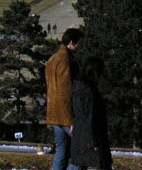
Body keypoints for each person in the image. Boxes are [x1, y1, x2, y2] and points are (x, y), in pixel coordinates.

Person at [46, 27, 83, 170]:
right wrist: (72, 117)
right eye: (79, 43)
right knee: (82, 152)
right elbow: (67, 91)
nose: (81, 47)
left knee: (61, 151)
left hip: (54, 113)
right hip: (66, 115)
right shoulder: (67, 62)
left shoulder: (52, 59)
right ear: (72, 43)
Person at [70, 57, 111, 170]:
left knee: (78, 164)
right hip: (92, 136)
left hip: (80, 134)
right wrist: (94, 142)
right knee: (102, 163)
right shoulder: (89, 92)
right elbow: (90, 117)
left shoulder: (78, 88)